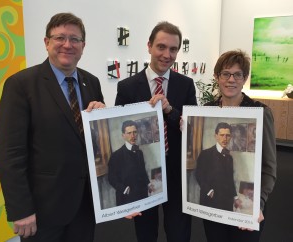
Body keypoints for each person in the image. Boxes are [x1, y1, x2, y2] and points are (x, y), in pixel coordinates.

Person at [0, 13, 105, 242]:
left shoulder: (91, 82)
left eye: (74, 39)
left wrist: (103, 119)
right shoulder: (21, 84)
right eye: (60, 38)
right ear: (46, 43)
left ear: (83, 46)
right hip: (43, 211)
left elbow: (95, 144)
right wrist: (21, 209)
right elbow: (9, 153)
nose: (67, 45)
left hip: (85, 206)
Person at [115, 21, 197, 242]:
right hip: (143, 172)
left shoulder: (186, 84)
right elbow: (120, 128)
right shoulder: (127, 87)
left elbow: (193, 128)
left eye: (173, 49)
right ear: (149, 46)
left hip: (177, 172)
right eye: (161, 47)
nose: (166, 54)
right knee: (145, 232)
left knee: (179, 232)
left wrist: (170, 110)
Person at [202, 49, 277, 242]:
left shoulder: (260, 112)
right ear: (217, 77)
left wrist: (257, 204)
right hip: (214, 207)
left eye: (238, 74)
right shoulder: (205, 111)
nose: (231, 80)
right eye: (225, 74)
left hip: (247, 207)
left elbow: (269, 168)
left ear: (245, 78)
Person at [195, 122, 240, 211]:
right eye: (222, 135)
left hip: (226, 202)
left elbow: (230, 179)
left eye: (227, 135)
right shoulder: (205, 154)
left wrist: (235, 197)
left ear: (230, 137)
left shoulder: (229, 157)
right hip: (210, 202)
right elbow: (199, 175)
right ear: (216, 136)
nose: (225, 138)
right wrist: (210, 192)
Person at [108, 120, 153, 206]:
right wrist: (124, 189)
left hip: (142, 197)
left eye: (134, 132)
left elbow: (143, 171)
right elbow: (111, 178)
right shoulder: (116, 156)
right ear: (123, 135)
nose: (133, 136)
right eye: (129, 133)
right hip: (126, 199)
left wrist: (148, 184)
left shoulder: (139, 152)